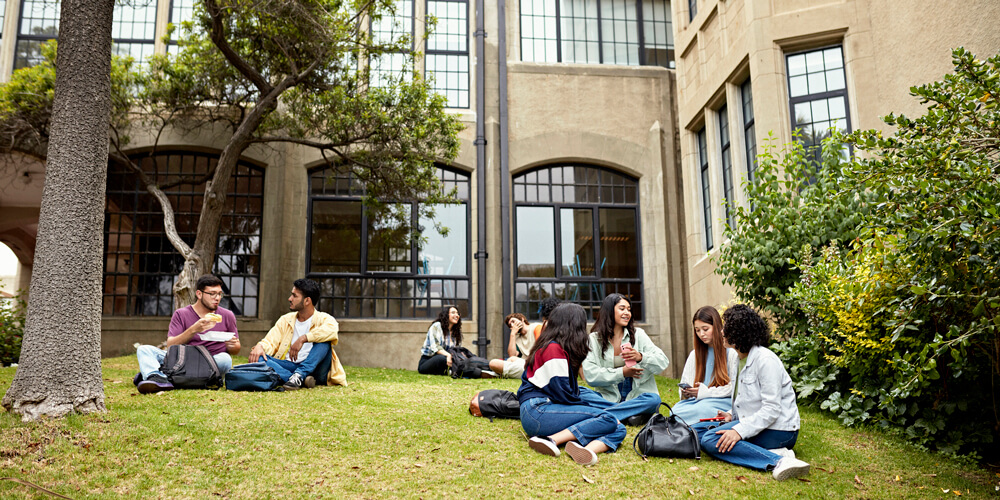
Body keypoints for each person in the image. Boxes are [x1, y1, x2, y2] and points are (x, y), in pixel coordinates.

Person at [691, 304, 811, 481]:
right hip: (756, 424)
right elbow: (745, 398)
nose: (722, 332)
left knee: (709, 440)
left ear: (740, 332)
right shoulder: (737, 359)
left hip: (780, 430)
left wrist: (738, 431)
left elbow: (771, 409)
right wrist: (731, 415)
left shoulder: (765, 360)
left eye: (726, 328)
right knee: (697, 431)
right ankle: (770, 451)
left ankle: (778, 461)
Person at [517, 303, 627, 466]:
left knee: (619, 428)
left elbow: (569, 393)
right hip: (538, 411)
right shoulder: (553, 349)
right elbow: (564, 395)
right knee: (608, 419)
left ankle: (587, 450)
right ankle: (550, 439)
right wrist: (595, 412)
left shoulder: (557, 347)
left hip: (544, 410)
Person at [135, 275, 241, 394]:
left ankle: (166, 376)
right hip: (183, 360)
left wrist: (233, 346)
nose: (217, 298)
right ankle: (155, 378)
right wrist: (193, 330)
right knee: (144, 350)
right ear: (199, 294)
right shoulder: (181, 314)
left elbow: (236, 349)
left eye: (220, 294)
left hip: (210, 363)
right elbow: (171, 345)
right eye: (212, 294)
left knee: (225, 359)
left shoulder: (227, 315)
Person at [582, 293, 668, 426]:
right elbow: (591, 376)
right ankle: (629, 414)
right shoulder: (593, 339)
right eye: (622, 309)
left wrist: (641, 357)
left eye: (629, 309)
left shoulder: (639, 334)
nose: (627, 313)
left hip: (637, 394)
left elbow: (663, 362)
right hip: (608, 395)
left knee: (654, 399)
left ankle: (605, 414)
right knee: (580, 393)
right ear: (609, 311)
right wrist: (622, 372)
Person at [248, 278, 347, 389]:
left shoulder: (324, 318)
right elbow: (271, 341)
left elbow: (332, 331)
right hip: (290, 366)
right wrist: (260, 347)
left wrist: (303, 338)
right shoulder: (285, 320)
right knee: (260, 358)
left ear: (307, 301)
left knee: (325, 342)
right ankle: (297, 379)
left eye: (294, 296)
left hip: (317, 369)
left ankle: (299, 375)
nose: (290, 299)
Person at [671, 305, 739, 423]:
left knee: (702, 409)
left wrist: (705, 392)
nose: (701, 334)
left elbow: (734, 388)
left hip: (721, 400)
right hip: (698, 401)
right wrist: (688, 392)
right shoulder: (695, 354)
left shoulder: (731, 353)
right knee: (675, 411)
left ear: (716, 327)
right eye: (697, 330)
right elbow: (686, 380)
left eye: (705, 329)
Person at [418, 305, 493, 378]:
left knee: (467, 361)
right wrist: (449, 355)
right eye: (453, 313)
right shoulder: (437, 326)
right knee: (441, 359)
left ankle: (490, 370)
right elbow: (435, 347)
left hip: (448, 361)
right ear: (446, 315)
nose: (456, 315)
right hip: (428, 361)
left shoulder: (455, 332)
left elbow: (455, 350)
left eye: (457, 313)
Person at [488, 313, 535, 378]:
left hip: (535, 364)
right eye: (510, 325)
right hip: (525, 365)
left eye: (513, 321)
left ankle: (502, 374)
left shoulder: (535, 327)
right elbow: (512, 355)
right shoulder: (517, 338)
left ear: (522, 319)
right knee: (494, 362)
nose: (512, 325)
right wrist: (512, 334)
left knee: (498, 364)